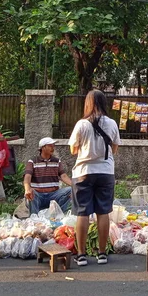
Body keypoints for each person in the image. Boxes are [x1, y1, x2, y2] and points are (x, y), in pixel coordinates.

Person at [69, 89, 120, 266]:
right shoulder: (112, 123)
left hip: (83, 172)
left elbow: (73, 149)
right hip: (105, 172)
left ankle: (81, 255)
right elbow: (114, 148)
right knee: (103, 211)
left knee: (82, 213)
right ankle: (102, 253)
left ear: (88, 104)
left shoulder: (81, 124)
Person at [24, 137, 72, 215]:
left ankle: (60, 215)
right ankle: (34, 218)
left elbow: (63, 176)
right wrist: (27, 189)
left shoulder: (57, 161)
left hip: (54, 194)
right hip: (38, 195)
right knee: (30, 192)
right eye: (50, 146)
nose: (53, 148)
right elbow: (27, 177)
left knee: (71, 190)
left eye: (53, 146)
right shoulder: (33, 161)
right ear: (43, 147)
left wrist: (75, 186)